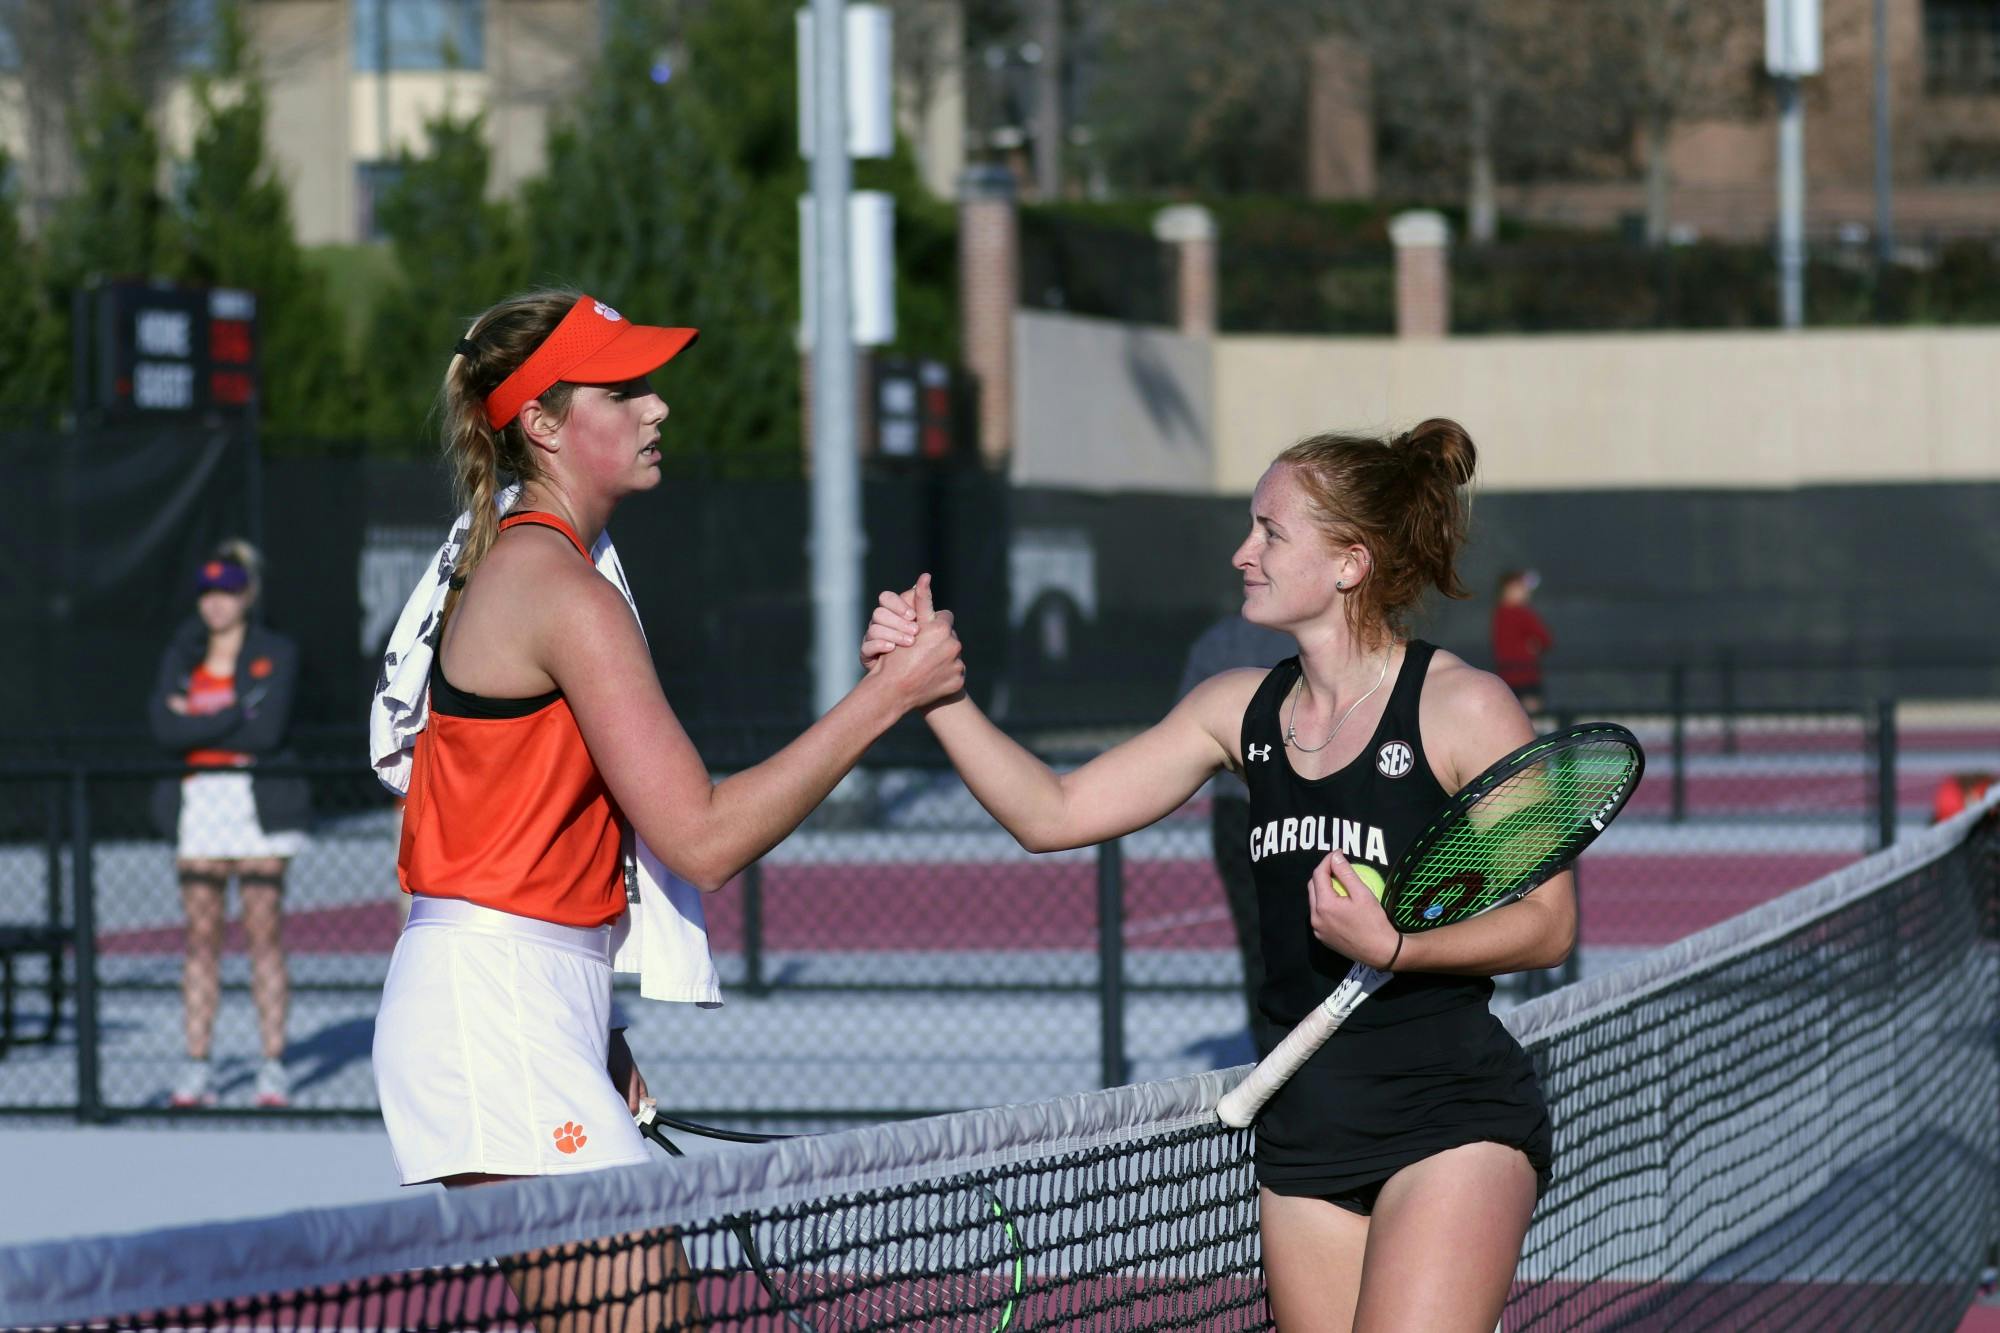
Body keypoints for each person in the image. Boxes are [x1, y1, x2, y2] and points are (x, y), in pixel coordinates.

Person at [865, 420, 1565, 1332]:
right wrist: (936, 696)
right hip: (1304, 1133)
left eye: (1271, 532)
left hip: (1453, 1116)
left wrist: (1398, 943)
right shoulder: (1236, 708)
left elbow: (1549, 922)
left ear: (1350, 563)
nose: (1244, 552)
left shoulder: (1467, 706)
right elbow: (1053, 812)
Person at [371, 290, 963, 1322]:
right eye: (624, 389)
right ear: (544, 425)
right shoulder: (555, 586)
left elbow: (473, 824)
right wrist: (888, 698)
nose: (658, 409)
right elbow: (702, 835)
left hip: (520, 996)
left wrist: (588, 1022)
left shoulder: (542, 568)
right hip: (491, 1004)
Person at [148, 540, 308, 1109]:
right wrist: (234, 713)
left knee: (264, 935)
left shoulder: (277, 651)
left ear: (249, 593)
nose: (216, 603)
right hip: (199, 803)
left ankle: (272, 1064)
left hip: (258, 802)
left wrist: (196, 718)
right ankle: (197, 1066)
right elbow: (163, 733)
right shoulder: (183, 652)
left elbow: (265, 735)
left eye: (228, 590)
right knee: (201, 940)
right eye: (208, 592)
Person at [1176, 612, 1294, 1035]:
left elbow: (1187, 731)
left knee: (1257, 944)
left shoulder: (1215, 642)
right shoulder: (1313, 639)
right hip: (1287, 804)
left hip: (1239, 809)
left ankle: (1270, 1053)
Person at [1490, 569, 1553, 714]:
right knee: (1531, 719)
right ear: (1508, 588)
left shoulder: (1500, 613)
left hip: (1513, 676)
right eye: (1520, 587)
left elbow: (1545, 640)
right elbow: (1545, 639)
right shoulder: (1520, 613)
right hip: (1522, 675)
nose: (1526, 591)